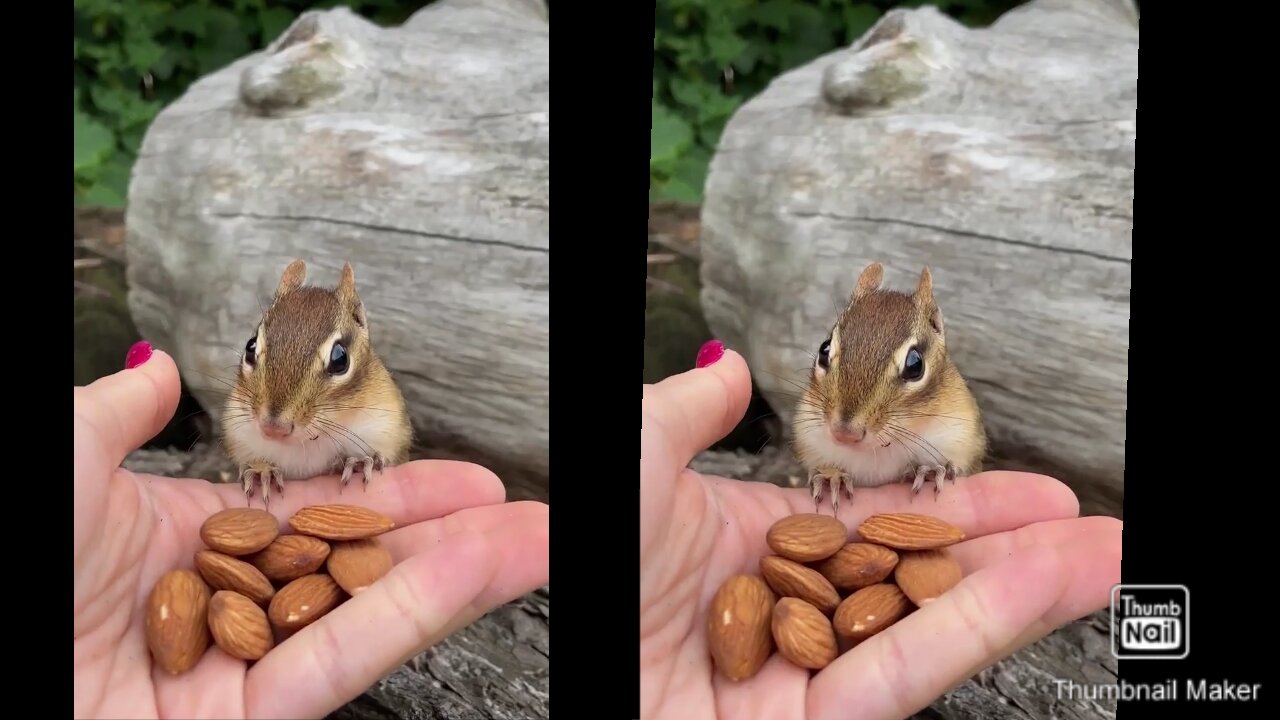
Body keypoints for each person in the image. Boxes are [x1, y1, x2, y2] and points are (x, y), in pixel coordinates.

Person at [640, 341, 1122, 720]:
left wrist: (941, 468)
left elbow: (964, 446)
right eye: (829, 357)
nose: (848, 423)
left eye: (911, 368)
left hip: (920, 516)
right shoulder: (828, 409)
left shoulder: (945, 402)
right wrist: (827, 468)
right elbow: (819, 437)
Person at [74, 341, 550, 719]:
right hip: (275, 515)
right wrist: (257, 461)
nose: (276, 418)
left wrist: (368, 458)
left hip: (347, 507)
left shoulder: (370, 393)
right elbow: (251, 433)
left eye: (336, 361)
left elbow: (391, 436)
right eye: (254, 356)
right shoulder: (257, 403)